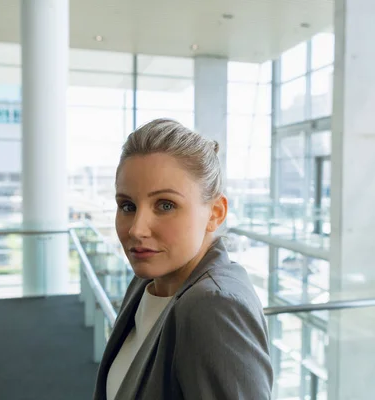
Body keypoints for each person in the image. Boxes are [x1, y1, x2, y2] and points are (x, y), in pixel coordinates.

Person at [93, 118, 273, 400]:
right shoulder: (149, 283)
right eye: (127, 205)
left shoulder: (214, 306)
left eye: (165, 205)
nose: (136, 229)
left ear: (215, 213)